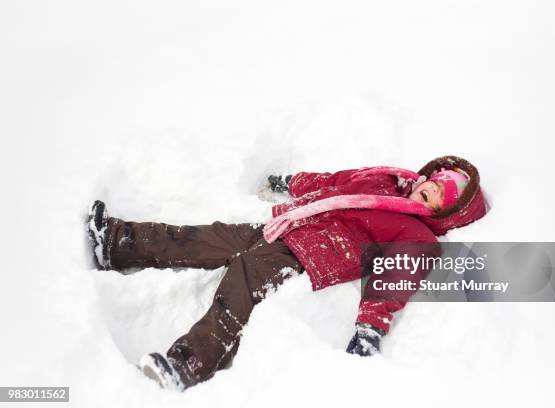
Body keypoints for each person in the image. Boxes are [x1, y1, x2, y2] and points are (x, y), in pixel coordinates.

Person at [86, 155, 487, 390]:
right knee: (214, 237)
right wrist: (292, 183)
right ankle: (118, 242)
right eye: (434, 181)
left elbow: (395, 276)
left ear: (444, 212)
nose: (430, 188)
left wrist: (371, 328)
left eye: (440, 195)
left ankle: (189, 363)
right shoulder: (384, 181)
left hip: (313, 253)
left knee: (246, 273)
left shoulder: (416, 233)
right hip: (290, 225)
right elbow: (332, 183)